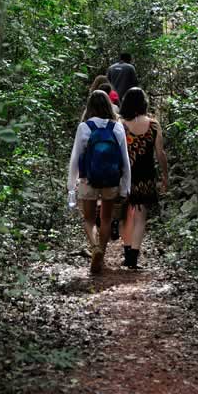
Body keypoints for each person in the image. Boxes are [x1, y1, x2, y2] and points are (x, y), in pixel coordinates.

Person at [68, 90, 132, 274]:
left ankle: (95, 247)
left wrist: (71, 185)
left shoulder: (84, 127)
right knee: (106, 218)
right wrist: (125, 186)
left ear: (90, 106)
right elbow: (125, 160)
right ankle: (101, 257)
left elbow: (75, 157)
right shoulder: (117, 127)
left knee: (88, 219)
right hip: (111, 180)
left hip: (88, 179)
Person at [119, 87, 168, 269]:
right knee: (140, 217)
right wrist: (165, 175)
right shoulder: (153, 125)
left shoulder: (120, 124)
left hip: (124, 176)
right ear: (144, 102)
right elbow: (160, 153)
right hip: (146, 176)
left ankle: (126, 253)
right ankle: (133, 258)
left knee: (126, 216)